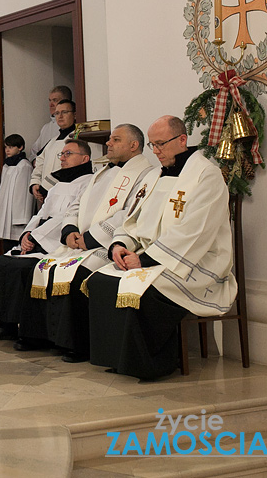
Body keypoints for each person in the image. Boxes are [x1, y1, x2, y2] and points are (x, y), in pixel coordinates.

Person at [85, 115, 237, 380]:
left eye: (160, 145)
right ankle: (120, 358)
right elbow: (133, 217)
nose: (155, 152)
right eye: (152, 146)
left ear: (182, 140)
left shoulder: (206, 175)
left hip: (195, 262)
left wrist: (144, 261)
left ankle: (153, 364)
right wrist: (121, 244)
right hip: (152, 255)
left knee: (145, 290)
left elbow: (194, 232)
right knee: (101, 280)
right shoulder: (155, 175)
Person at [34, 124, 153, 362]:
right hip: (79, 242)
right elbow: (77, 203)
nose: (108, 143)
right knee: (46, 268)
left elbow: (128, 214)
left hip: (104, 243)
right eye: (109, 139)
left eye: (115, 140)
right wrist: (69, 231)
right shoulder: (101, 171)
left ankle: (78, 345)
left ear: (133, 145)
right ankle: (51, 339)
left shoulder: (145, 174)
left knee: (78, 278)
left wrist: (88, 239)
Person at [0, 139, 94, 349]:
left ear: (84, 158)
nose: (62, 158)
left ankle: (31, 332)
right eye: (62, 154)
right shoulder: (59, 184)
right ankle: (5, 325)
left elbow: (67, 218)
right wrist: (27, 233)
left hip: (57, 243)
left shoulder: (89, 184)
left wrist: (36, 238)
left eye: (68, 154)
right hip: (40, 237)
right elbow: (41, 213)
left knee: (22, 269)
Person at [29, 99, 102, 204]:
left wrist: (45, 187)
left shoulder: (79, 139)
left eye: (64, 112)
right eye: (57, 113)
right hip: (47, 194)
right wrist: (35, 183)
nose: (60, 116)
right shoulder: (52, 141)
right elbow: (39, 163)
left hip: (68, 194)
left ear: (75, 114)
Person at [0, 134, 35, 253]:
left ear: (20, 147)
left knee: (17, 245)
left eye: (11, 147)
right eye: (6, 147)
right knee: (7, 245)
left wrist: (21, 218)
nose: (7, 150)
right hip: (6, 212)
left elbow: (23, 195)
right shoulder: (7, 165)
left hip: (17, 216)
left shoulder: (24, 165)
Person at [31, 86, 72, 155]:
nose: (51, 105)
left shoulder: (73, 128)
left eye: (55, 100)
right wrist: (34, 160)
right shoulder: (46, 128)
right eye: (50, 100)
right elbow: (35, 151)